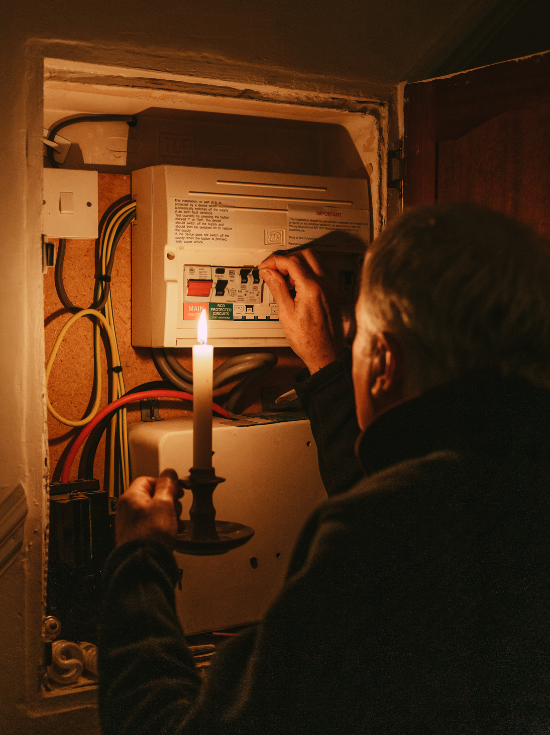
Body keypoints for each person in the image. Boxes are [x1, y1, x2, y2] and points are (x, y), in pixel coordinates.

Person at [98, 202, 550, 735]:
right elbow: (407, 473)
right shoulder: (517, 487)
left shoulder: (378, 537)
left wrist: (138, 557)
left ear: (382, 363)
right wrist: (326, 364)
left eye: (359, 338)